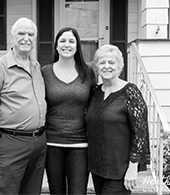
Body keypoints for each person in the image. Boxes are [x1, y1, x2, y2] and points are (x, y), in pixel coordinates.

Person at [0, 18, 47, 195]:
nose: (26, 38)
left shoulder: (36, 66)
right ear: (12, 38)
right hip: (11, 143)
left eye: (31, 34)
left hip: (38, 142)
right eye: (21, 34)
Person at [85, 45, 149, 195]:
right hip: (98, 168)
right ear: (96, 67)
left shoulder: (130, 93)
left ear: (119, 66)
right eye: (102, 63)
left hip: (120, 170)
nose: (106, 66)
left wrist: (133, 168)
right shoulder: (94, 92)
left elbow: (141, 134)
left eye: (111, 63)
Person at [41, 27, 95, 195]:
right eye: (62, 41)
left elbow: (96, 104)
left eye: (71, 41)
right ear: (56, 46)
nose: (67, 45)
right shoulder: (45, 72)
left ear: (77, 47)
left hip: (79, 144)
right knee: (56, 192)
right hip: (52, 143)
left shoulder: (88, 72)